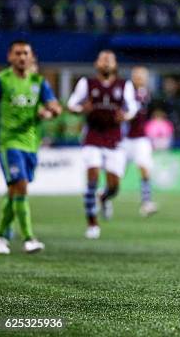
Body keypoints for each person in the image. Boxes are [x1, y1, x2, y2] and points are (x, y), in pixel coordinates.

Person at [0, 40, 62, 254]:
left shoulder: (38, 82)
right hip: (9, 143)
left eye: (26, 53)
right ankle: (29, 238)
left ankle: (0, 236)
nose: (22, 57)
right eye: (18, 53)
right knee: (21, 185)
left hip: (31, 144)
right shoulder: (2, 81)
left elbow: (55, 107)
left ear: (31, 57)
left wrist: (48, 112)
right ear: (10, 57)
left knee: (15, 190)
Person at [67, 50, 138, 239]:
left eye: (110, 60)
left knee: (114, 186)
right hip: (92, 135)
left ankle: (104, 198)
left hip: (114, 138)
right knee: (93, 176)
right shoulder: (86, 83)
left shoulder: (125, 85)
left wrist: (126, 115)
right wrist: (82, 109)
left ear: (114, 65)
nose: (106, 63)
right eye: (102, 60)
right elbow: (71, 104)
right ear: (96, 64)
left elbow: (132, 108)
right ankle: (92, 223)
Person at [122, 66, 158, 217]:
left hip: (141, 139)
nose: (140, 78)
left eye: (143, 76)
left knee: (144, 169)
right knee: (116, 175)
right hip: (124, 139)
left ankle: (146, 202)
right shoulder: (125, 92)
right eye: (137, 75)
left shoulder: (146, 93)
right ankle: (105, 197)